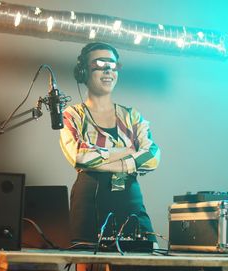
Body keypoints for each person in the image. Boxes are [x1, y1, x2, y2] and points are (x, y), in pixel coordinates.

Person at [59, 42, 161, 253]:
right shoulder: (73, 115)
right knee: (90, 270)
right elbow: (80, 156)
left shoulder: (132, 115)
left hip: (130, 200)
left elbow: (152, 155)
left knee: (146, 263)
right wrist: (129, 152)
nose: (108, 70)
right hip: (89, 202)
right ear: (84, 71)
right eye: (99, 64)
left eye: (112, 65)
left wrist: (108, 160)